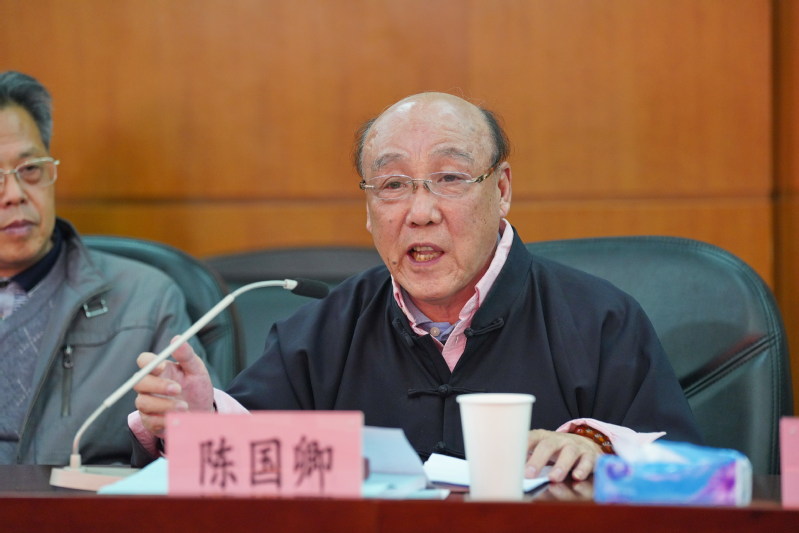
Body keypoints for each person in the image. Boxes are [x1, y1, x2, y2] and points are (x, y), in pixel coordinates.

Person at [131, 92, 702, 482]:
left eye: (450, 178)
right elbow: (251, 464)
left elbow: (692, 472)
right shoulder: (325, 328)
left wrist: (598, 448)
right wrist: (197, 423)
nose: (420, 212)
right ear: (368, 207)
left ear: (502, 190)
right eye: (393, 184)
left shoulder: (600, 319)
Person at [0, 70, 208, 465]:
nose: (15, 194)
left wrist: (173, 431)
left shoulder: (145, 301)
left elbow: (203, 454)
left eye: (30, 169)